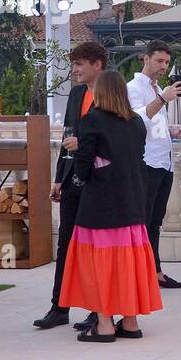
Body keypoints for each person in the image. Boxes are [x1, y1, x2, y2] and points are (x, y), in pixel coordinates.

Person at [60, 70, 163, 342]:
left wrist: (79, 182)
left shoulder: (92, 120)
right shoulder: (136, 122)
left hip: (101, 205)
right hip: (131, 201)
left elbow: (83, 162)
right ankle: (130, 321)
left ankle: (104, 323)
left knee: (98, 264)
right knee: (127, 262)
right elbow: (135, 158)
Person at [34, 42, 107, 330]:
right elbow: (68, 136)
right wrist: (58, 178)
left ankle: (96, 310)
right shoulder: (77, 94)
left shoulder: (114, 93)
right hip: (73, 179)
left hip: (99, 181)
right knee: (66, 244)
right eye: (74, 64)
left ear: (97, 64)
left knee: (94, 247)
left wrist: (86, 143)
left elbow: (120, 136)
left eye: (79, 64)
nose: (74, 70)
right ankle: (59, 307)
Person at [127, 41, 181, 290]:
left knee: (156, 220)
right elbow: (136, 119)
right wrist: (163, 98)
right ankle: (143, 273)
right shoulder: (133, 87)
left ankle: (155, 270)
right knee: (143, 219)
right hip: (146, 162)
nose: (163, 66)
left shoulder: (158, 88)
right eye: (159, 61)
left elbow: (158, 127)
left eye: (165, 62)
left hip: (163, 161)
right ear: (146, 59)